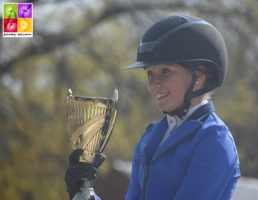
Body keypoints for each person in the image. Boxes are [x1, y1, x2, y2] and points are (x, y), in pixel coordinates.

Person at [65, 14, 240, 200]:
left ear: (199, 77)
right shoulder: (152, 136)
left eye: (166, 71)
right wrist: (85, 194)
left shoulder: (214, 141)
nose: (153, 84)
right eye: (150, 73)